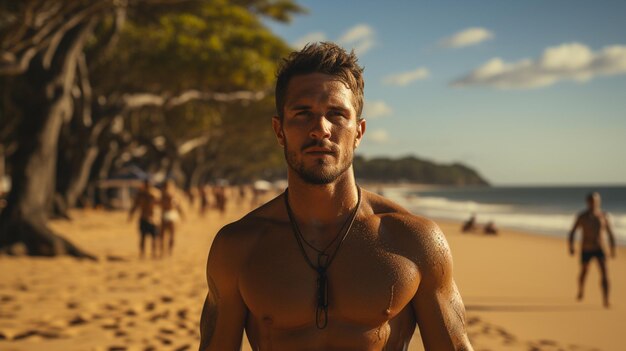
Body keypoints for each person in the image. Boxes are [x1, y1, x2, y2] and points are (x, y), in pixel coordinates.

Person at [199, 42, 473, 350]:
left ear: (359, 131)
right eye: (303, 113)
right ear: (279, 130)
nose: (320, 129)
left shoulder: (413, 240)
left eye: (336, 114)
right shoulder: (238, 247)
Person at [568, 192, 616, 308]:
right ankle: (581, 290)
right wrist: (571, 246)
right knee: (584, 272)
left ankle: (606, 299)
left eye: (595, 201)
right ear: (587, 202)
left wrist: (612, 248)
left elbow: (610, 233)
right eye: (591, 201)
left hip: (600, 249)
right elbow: (573, 231)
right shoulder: (582, 216)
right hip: (586, 249)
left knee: (604, 273)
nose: (593, 203)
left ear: (599, 202)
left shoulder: (604, 216)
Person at [128, 179, 160, 259]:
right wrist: (131, 216)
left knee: (154, 238)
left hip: (153, 219)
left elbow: (161, 204)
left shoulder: (155, 193)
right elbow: (135, 206)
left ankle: (154, 254)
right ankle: (142, 254)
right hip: (144, 218)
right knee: (143, 238)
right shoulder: (140, 195)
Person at [160, 179, 185, 256]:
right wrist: (182, 215)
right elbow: (179, 206)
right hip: (172, 215)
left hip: (166, 214)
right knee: (171, 235)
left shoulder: (162, 195)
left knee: (163, 235)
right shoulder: (175, 194)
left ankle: (164, 251)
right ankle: (169, 252)